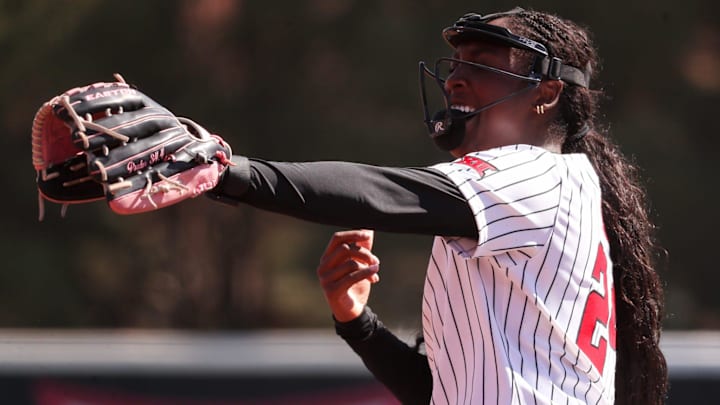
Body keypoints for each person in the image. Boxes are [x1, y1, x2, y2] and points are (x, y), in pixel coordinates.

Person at [203, 7, 667, 404]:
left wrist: (224, 170)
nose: (455, 80)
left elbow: (380, 192)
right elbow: (440, 393)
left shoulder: (538, 175)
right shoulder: (534, 198)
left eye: (482, 65)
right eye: (457, 66)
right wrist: (358, 324)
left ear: (546, 92)